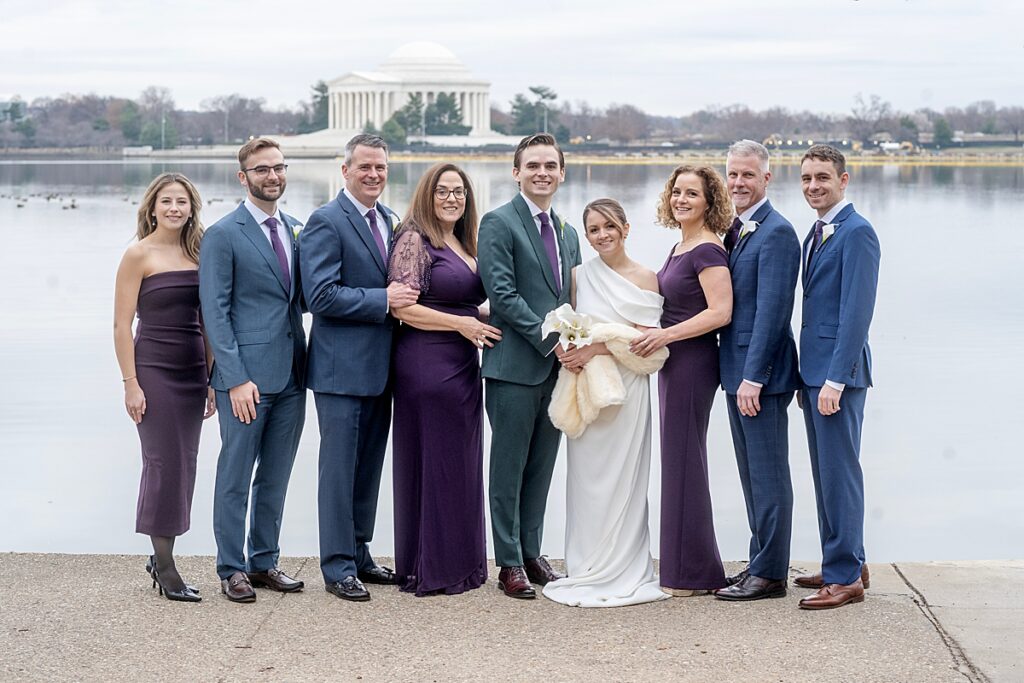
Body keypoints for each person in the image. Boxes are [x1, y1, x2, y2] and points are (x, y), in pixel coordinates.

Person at [299, 133, 419, 602]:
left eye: (381, 168)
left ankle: (360, 554)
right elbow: (319, 296)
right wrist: (382, 300)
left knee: (368, 468)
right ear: (344, 169)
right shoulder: (325, 221)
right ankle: (337, 566)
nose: (374, 175)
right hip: (339, 373)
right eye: (365, 167)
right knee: (338, 470)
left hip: (383, 369)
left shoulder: (389, 220)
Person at [542, 198, 668, 608]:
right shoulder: (579, 275)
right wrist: (569, 346)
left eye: (610, 226)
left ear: (626, 228)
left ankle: (625, 566)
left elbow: (647, 344)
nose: (603, 235)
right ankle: (585, 565)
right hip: (589, 393)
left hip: (629, 391)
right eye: (594, 229)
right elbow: (570, 324)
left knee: (625, 480)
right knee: (586, 479)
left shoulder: (647, 278)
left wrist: (597, 346)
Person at [199, 137, 308, 603]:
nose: (273, 176)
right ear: (243, 177)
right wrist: (236, 378)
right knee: (236, 473)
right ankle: (231, 568)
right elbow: (215, 312)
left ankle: (264, 561)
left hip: (293, 373)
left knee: (277, 474)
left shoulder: (299, 228)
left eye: (279, 168)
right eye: (262, 170)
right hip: (244, 380)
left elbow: (301, 299)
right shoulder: (224, 234)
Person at [387, 163, 500, 596]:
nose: (452, 198)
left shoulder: (461, 240)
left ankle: (460, 564)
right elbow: (403, 308)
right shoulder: (415, 237)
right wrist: (462, 327)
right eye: (443, 191)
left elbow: (466, 303)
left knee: (458, 463)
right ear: (427, 195)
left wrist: (491, 318)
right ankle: (429, 567)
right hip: (426, 364)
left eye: (459, 191)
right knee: (435, 462)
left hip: (462, 365)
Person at [477, 133, 582, 599]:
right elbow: (502, 296)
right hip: (514, 367)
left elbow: (574, 299)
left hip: (559, 371)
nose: (542, 172)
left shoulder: (568, 232)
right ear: (516, 171)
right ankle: (508, 561)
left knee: (542, 465)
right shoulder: (498, 223)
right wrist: (553, 341)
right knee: (508, 467)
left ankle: (534, 552)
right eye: (533, 165)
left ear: (562, 173)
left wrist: (579, 345)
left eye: (550, 166)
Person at [632, 165, 733, 597]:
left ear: (710, 201)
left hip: (692, 362)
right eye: (676, 192)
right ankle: (685, 568)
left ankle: (693, 574)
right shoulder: (681, 244)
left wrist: (664, 336)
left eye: (692, 193)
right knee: (678, 462)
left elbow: (719, 313)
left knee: (685, 462)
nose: (681, 199)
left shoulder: (708, 249)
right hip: (673, 362)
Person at [114, 172, 215, 602]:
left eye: (182, 202)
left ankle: (162, 557)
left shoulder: (201, 252)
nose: (174, 208)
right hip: (152, 370)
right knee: (162, 464)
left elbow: (210, 319)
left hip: (192, 370)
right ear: (152, 207)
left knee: (185, 464)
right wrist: (130, 384)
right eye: (166, 201)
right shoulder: (138, 255)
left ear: (191, 208)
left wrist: (213, 378)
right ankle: (166, 566)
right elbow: (121, 325)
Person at [713, 141, 802, 602]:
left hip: (758, 378)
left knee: (769, 476)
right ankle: (760, 562)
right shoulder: (735, 228)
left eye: (748, 175)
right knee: (751, 475)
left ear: (767, 179)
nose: (739, 183)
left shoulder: (778, 232)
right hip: (733, 369)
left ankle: (769, 575)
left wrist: (755, 377)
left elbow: (773, 312)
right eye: (732, 175)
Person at [793, 144, 880, 610]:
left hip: (837, 378)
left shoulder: (857, 233)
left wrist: (835, 380)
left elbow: (856, 315)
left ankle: (846, 579)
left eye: (822, 177)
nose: (813, 186)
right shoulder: (817, 231)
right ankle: (845, 559)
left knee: (840, 474)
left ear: (843, 180)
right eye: (807, 178)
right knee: (827, 475)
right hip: (814, 373)